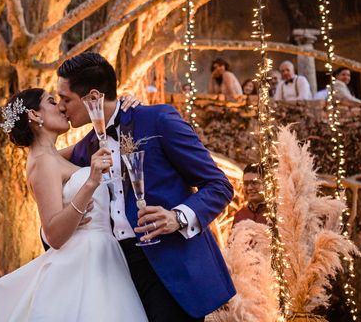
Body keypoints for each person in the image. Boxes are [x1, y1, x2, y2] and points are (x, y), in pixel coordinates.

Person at [58, 52, 236, 322]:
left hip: (169, 269)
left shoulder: (158, 119)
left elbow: (219, 185)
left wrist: (177, 217)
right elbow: (45, 162)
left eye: (65, 99)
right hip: (116, 275)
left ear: (93, 96)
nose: (61, 107)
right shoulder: (87, 147)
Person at [0, 88, 148, 322]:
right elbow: (53, 234)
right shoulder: (42, 163)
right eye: (52, 102)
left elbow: (103, 135)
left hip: (104, 256)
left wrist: (124, 106)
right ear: (34, 114)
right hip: (82, 264)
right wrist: (91, 183)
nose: (62, 106)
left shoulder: (53, 157)